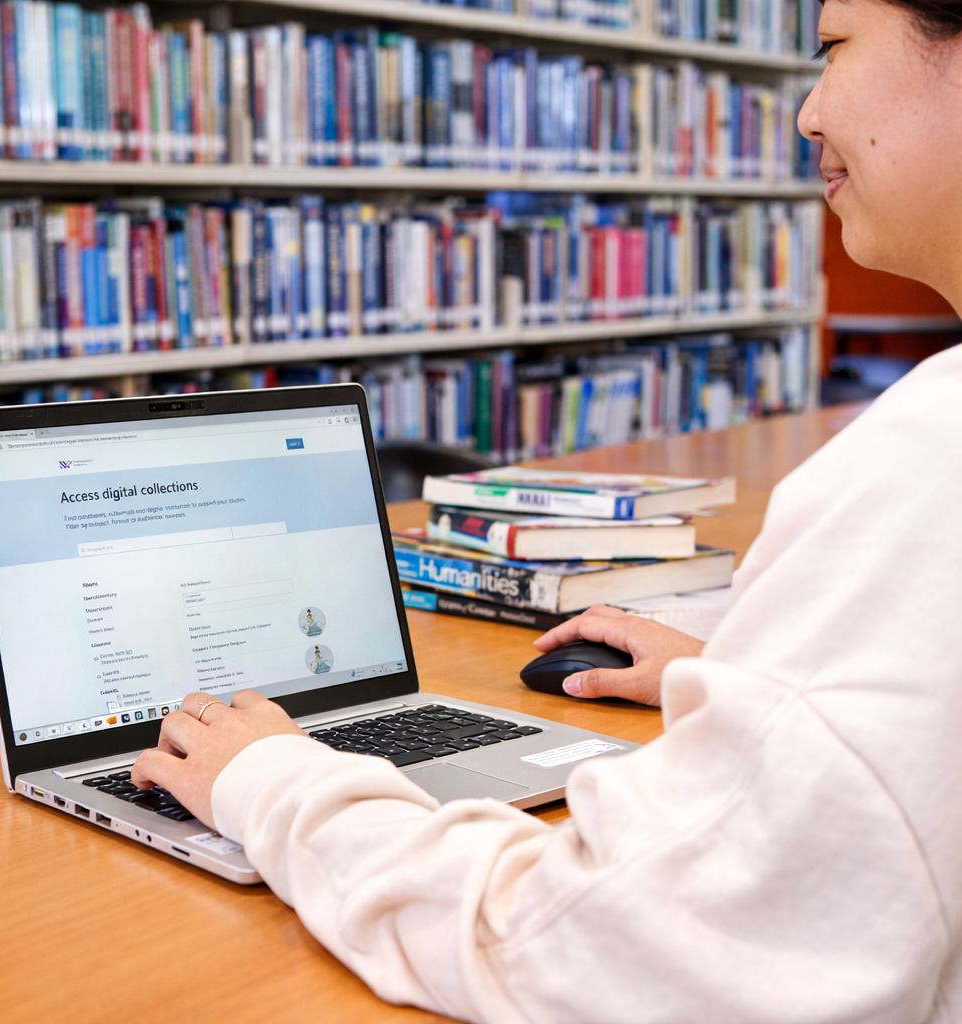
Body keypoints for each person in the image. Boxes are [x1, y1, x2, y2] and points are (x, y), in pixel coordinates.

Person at [134, 3, 962, 1020]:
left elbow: (579, 947)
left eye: (832, 49)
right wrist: (754, 680)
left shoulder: (933, 457)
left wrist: (271, 781)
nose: (805, 112)